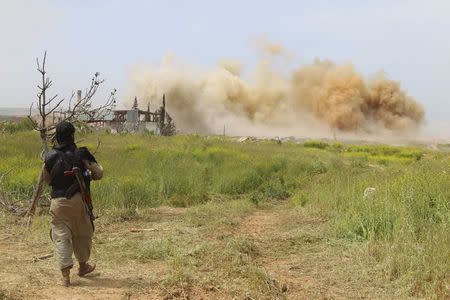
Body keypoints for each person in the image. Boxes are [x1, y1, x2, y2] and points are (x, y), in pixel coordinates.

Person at [43, 121, 103, 287]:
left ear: (57, 137)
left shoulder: (49, 156)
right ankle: (83, 266)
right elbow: (98, 173)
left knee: (61, 236)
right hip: (79, 200)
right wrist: (88, 176)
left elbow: (47, 179)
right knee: (82, 233)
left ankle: (65, 277)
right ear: (72, 135)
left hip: (57, 202)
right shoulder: (81, 153)